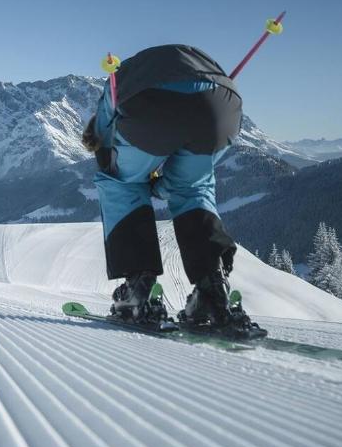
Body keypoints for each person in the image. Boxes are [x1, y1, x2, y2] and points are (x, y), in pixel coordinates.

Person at [82, 44, 263, 337]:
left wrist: (142, 182)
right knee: (194, 189)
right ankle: (212, 290)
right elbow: (185, 180)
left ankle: (137, 292)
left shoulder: (111, 94)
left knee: (120, 184)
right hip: (221, 103)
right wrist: (161, 186)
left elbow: (110, 159)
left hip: (149, 103)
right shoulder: (138, 72)